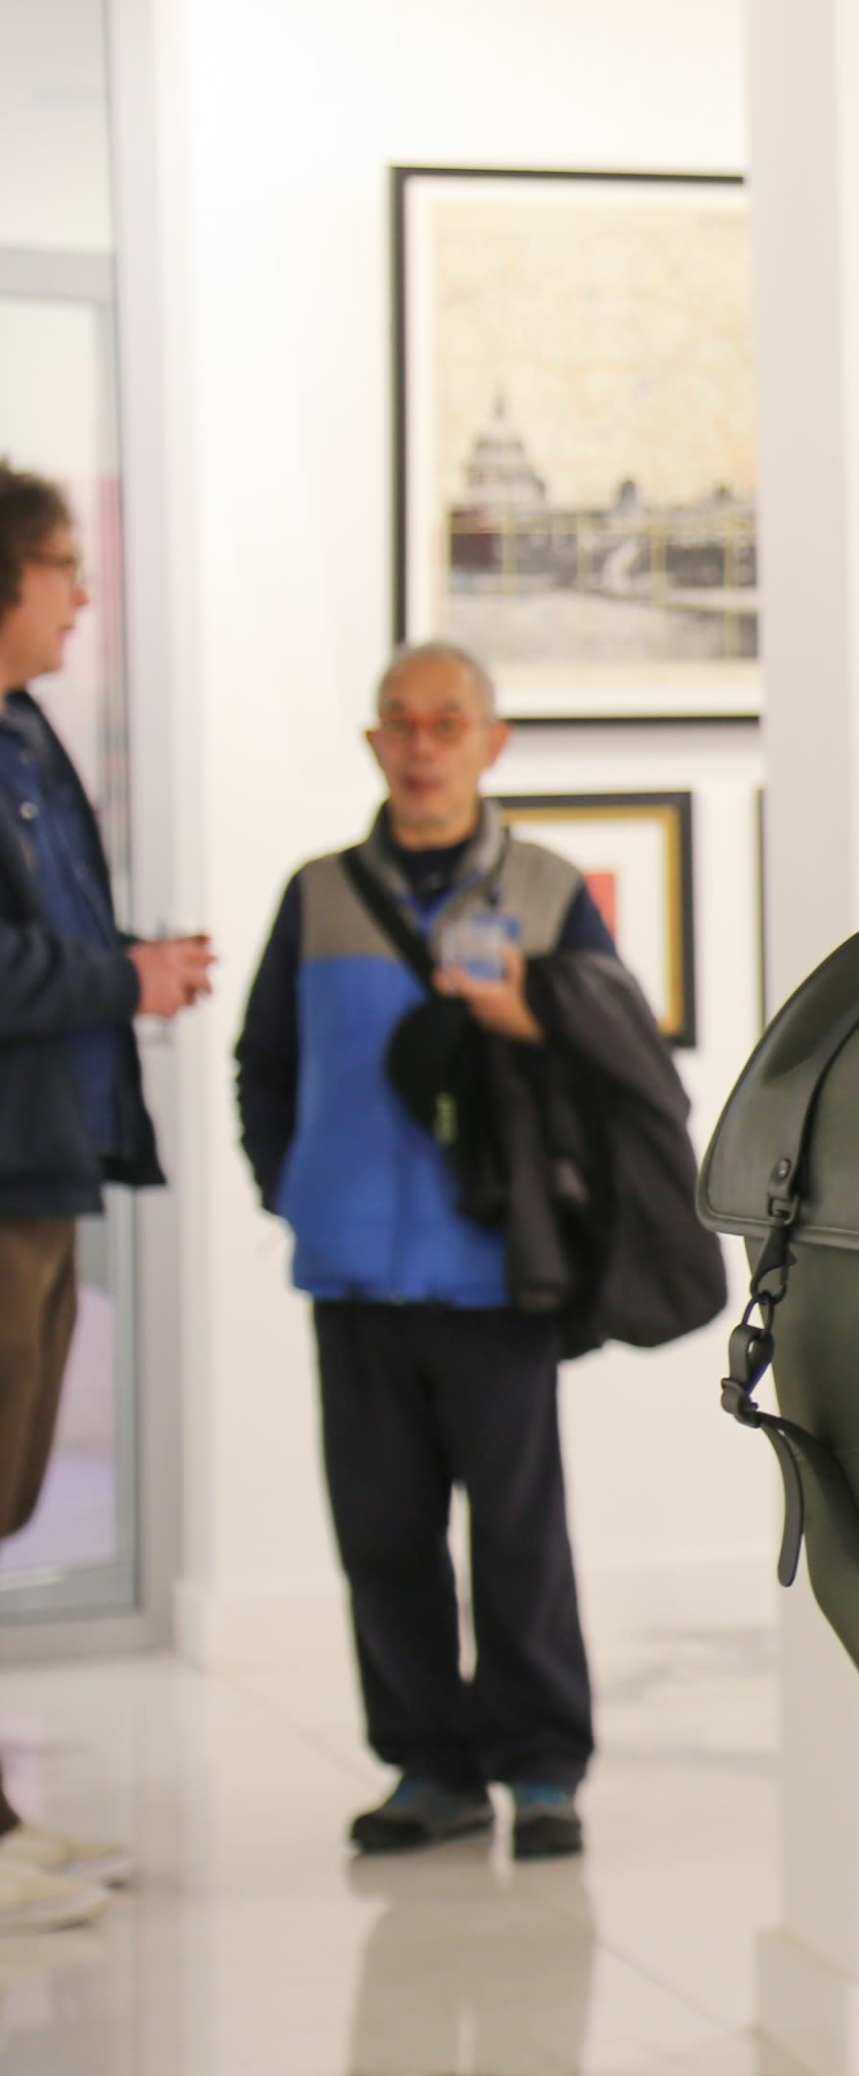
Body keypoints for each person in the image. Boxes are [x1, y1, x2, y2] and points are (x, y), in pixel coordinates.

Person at [233, 641, 623, 1862]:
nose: (420, 746)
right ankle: (428, 1769)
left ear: (490, 744)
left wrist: (531, 1011)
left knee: (517, 1535)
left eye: (446, 724)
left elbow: (615, 1070)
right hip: (352, 1274)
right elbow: (265, 1064)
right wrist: (293, 1191)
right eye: (399, 724)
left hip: (497, 1273)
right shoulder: (317, 894)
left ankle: (544, 1769)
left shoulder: (553, 891)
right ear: (372, 745)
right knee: (385, 1537)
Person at [0, 461, 207, 1934]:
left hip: (43, 1159)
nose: (83, 593)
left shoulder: (23, 730)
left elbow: (50, 930)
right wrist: (113, 977)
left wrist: (131, 959)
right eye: (65, 566)